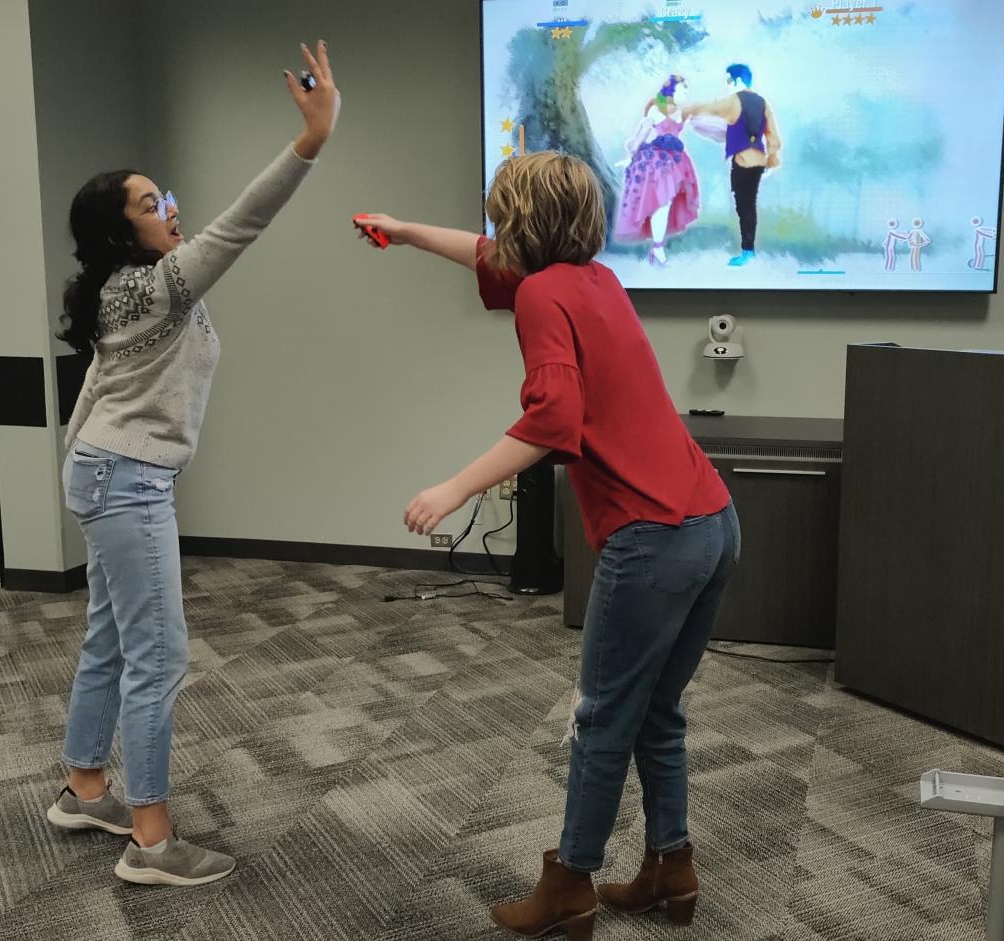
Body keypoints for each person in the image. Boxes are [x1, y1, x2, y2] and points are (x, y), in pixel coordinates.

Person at [359, 151, 739, 939]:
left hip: (653, 535)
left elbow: (554, 417)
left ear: (522, 223)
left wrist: (454, 487)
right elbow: (480, 252)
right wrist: (402, 232)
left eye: (501, 216)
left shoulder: (540, 294)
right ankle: (673, 866)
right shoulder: (592, 280)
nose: (492, 231)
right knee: (657, 711)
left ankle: (569, 883)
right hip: (713, 520)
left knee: (602, 718)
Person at [49, 41, 340, 887]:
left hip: (108, 473)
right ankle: (151, 841)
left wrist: (80, 468)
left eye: (164, 194)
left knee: (111, 640)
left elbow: (98, 382)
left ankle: (83, 785)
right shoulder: (153, 285)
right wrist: (310, 141)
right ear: (120, 229)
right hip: (126, 481)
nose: (169, 207)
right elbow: (242, 223)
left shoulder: (126, 289)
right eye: (150, 202)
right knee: (159, 656)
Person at [687, 63, 782, 267]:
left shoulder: (734, 100)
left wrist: (687, 110)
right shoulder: (763, 102)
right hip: (758, 161)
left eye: (729, 80)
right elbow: (772, 133)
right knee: (749, 206)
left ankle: (747, 251)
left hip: (742, 161)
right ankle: (749, 250)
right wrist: (772, 158)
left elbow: (710, 107)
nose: (727, 85)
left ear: (738, 81)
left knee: (744, 206)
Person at [614, 74, 701, 266]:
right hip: (657, 163)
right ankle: (658, 249)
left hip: (676, 163)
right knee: (661, 203)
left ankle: (657, 248)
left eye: (687, 90)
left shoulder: (682, 112)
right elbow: (639, 137)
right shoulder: (656, 110)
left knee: (666, 203)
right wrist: (629, 157)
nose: (686, 93)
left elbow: (696, 123)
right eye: (682, 90)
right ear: (671, 92)